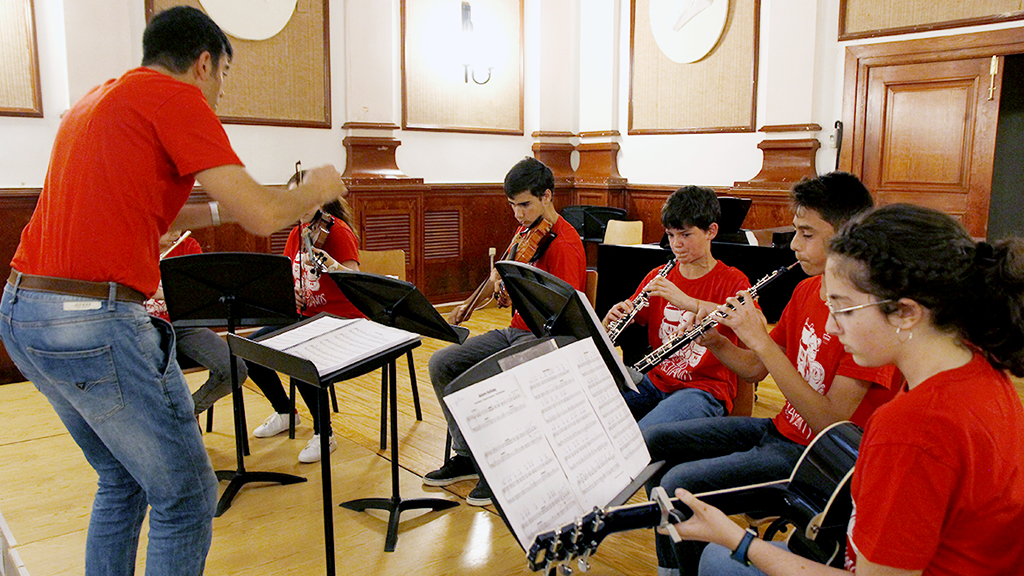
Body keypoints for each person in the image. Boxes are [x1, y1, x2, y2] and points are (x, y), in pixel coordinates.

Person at [0, 7, 345, 576]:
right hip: (94, 319)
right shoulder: (175, 97)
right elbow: (261, 215)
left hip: (23, 312)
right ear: (204, 62)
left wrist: (231, 205)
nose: (218, 93)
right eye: (223, 77)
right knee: (186, 499)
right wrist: (314, 189)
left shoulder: (97, 102)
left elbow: (168, 212)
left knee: (122, 478)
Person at [668, 203, 1024, 576]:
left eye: (844, 309)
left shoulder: (910, 427)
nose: (834, 328)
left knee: (717, 559)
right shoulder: (979, 366)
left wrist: (739, 541)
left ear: (906, 312)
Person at [643, 172, 899, 576]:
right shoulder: (805, 291)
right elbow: (754, 367)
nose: (794, 244)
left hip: (814, 459)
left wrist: (760, 341)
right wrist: (716, 341)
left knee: (679, 484)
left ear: (850, 236)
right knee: (654, 438)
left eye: (806, 234)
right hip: (779, 432)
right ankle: (675, 564)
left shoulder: (868, 317)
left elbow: (830, 423)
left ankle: (682, 570)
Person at [423, 157, 586, 507]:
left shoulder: (565, 245)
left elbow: (565, 316)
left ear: (547, 196)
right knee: (442, 363)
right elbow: (500, 273)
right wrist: (471, 302)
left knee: (470, 385)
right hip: (516, 331)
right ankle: (466, 456)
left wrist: (521, 290)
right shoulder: (526, 230)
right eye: (512, 206)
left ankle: (500, 472)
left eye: (524, 205)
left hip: (545, 340)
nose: (518, 215)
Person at [602, 186, 750, 430]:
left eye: (685, 235)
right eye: (670, 235)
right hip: (656, 381)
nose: (676, 245)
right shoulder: (659, 276)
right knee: (597, 411)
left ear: (711, 231)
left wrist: (688, 302)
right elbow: (628, 320)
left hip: (703, 390)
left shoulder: (732, 281)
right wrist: (612, 320)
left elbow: (751, 320)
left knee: (644, 434)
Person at [246, 170, 363, 463]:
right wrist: (290, 293)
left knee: (300, 357)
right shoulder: (297, 233)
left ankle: (325, 434)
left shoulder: (337, 231)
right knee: (250, 351)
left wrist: (331, 264)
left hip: (339, 320)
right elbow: (289, 275)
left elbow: (356, 280)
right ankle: (286, 412)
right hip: (304, 315)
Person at [146, 230, 246, 418]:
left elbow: (199, 293)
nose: (176, 232)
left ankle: (185, 415)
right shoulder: (134, 248)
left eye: (179, 226)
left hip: (184, 325)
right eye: (170, 226)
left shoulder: (187, 246)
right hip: (146, 327)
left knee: (234, 369)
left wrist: (165, 292)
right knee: (154, 379)